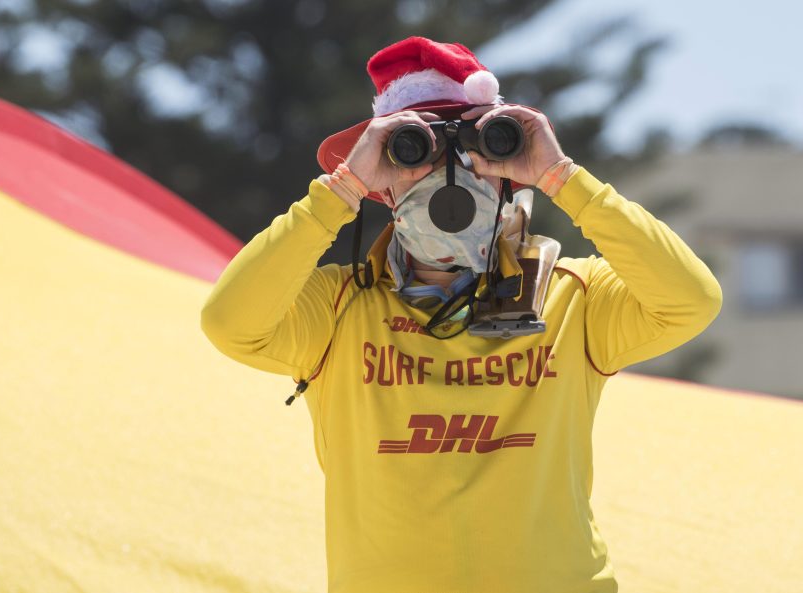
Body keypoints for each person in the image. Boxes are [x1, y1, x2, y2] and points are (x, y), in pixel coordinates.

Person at [201, 36, 722, 593]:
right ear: (383, 186)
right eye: (412, 151)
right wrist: (340, 191)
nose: (446, 174)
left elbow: (690, 301)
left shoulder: (572, 296)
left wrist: (562, 177)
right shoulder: (337, 307)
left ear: (507, 177)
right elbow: (230, 323)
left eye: (477, 148)